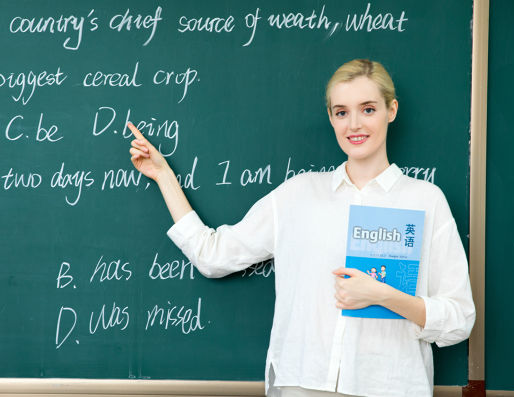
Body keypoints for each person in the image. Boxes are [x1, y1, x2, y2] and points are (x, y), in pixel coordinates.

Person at [127, 59, 475, 397]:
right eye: (342, 112)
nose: (354, 124)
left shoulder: (425, 201)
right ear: (331, 118)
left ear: (391, 110)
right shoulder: (299, 194)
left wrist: (382, 295)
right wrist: (163, 176)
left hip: (389, 386)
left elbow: (459, 318)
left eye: (368, 109)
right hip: (302, 383)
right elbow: (212, 255)